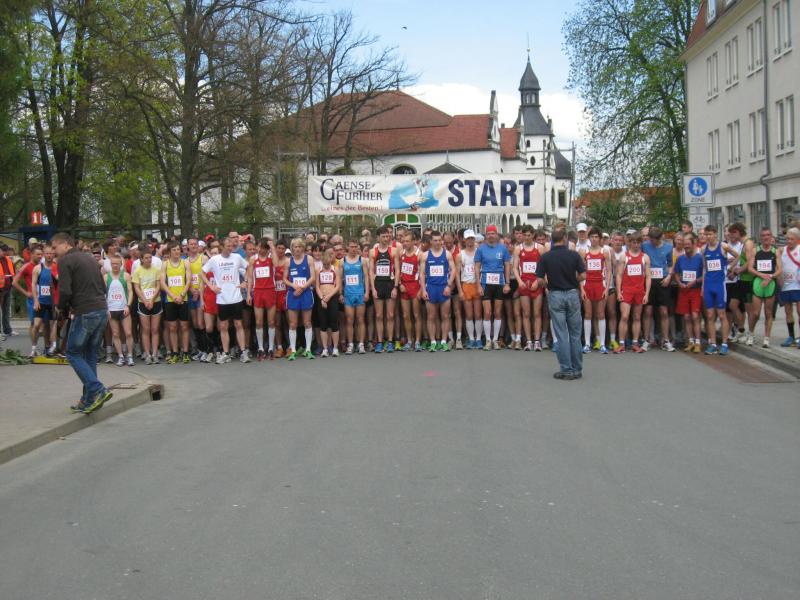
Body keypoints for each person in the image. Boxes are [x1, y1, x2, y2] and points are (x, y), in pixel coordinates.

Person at [51, 233, 113, 414]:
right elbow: (103, 287)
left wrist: (60, 308)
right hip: (101, 309)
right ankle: (88, 399)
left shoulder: (65, 261)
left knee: (72, 353)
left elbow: (65, 290)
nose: (53, 252)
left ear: (65, 244)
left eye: (55, 247)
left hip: (85, 311)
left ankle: (98, 389)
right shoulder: (89, 258)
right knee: (90, 355)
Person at [533, 228, 586, 380]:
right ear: (565, 239)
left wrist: (547, 284)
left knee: (561, 334)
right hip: (572, 293)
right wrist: (574, 280)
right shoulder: (574, 255)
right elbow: (583, 275)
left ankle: (566, 369)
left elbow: (539, 280)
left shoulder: (546, 257)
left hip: (555, 293)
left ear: (552, 240)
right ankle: (577, 368)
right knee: (575, 333)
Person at [201, 236, 250, 363]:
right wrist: (211, 286)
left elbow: (248, 267)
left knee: (238, 324)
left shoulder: (237, 257)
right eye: (228, 246)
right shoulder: (214, 259)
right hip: (222, 298)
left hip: (236, 297)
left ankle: (243, 352)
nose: (230, 248)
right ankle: (226, 353)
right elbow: (202, 273)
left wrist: (245, 281)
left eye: (231, 246)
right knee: (223, 326)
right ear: (222, 247)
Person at [700, 225, 739, 355]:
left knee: (722, 315)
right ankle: (712, 343)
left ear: (716, 234)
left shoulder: (723, 246)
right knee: (710, 315)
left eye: (710, 234)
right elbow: (704, 268)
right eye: (706, 234)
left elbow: (737, 256)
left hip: (719, 285)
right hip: (708, 285)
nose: (708, 237)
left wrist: (729, 268)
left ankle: (724, 343)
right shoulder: (703, 249)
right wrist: (703, 286)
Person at [475, 224, 512, 350]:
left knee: (497, 312)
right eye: (489, 233)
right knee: (487, 312)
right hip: (485, 282)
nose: (491, 235)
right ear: (486, 235)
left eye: (493, 233)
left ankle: (495, 340)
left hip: (499, 282)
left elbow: (507, 266)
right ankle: (488, 340)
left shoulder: (503, 249)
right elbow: (477, 267)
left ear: (496, 235)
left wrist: (507, 283)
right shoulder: (480, 249)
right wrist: (478, 285)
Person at [614, 233, 651, 354]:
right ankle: (621, 344)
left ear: (641, 243)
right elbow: (619, 275)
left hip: (639, 291)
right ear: (630, 243)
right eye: (633, 242)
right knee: (624, 316)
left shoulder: (645, 257)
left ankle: (635, 343)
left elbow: (648, 277)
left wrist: (646, 294)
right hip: (627, 291)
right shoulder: (624, 257)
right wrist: (619, 292)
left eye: (638, 242)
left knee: (637, 317)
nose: (636, 245)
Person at [419, 231, 456, 352]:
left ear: (442, 241)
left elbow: (453, 270)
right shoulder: (425, 255)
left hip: (443, 288)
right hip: (431, 288)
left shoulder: (447, 254)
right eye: (435, 240)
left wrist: (449, 285)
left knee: (445, 316)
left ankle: (444, 341)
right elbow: (422, 274)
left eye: (439, 240)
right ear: (430, 241)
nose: (437, 242)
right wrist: (423, 290)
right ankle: (433, 342)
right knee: (431, 316)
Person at [746, 227, 782, 347]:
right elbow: (750, 268)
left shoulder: (775, 251)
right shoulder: (755, 250)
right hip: (758, 282)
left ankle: (766, 338)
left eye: (768, 235)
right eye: (763, 235)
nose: (766, 237)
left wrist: (770, 276)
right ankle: (751, 334)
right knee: (755, 313)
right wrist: (761, 275)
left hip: (770, 283)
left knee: (768, 313)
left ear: (771, 237)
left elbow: (780, 269)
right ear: (760, 237)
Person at [641, 226, 675, 351]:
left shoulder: (668, 247)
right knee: (648, 311)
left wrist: (669, 277)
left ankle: (665, 340)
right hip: (649, 281)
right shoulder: (645, 245)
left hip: (663, 281)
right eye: (650, 239)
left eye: (654, 240)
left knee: (664, 312)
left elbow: (670, 264)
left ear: (660, 238)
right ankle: (646, 340)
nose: (652, 242)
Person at [578, 226, 612, 354]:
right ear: (589, 238)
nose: (594, 239)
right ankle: (587, 344)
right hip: (587, 285)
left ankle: (602, 344)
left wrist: (607, 288)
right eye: (592, 237)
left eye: (596, 237)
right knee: (588, 314)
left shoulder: (605, 252)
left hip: (600, 285)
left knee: (601, 314)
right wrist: (582, 289)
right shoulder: (583, 252)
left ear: (600, 238)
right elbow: (580, 272)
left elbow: (609, 271)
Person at [514, 225, 546, 351]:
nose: (526, 237)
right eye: (524, 235)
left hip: (536, 283)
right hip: (524, 283)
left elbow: (544, 267)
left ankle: (537, 341)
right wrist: (519, 281)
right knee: (526, 313)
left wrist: (538, 281)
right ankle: (528, 341)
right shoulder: (518, 248)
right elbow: (515, 268)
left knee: (537, 313)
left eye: (529, 235)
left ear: (533, 235)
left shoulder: (540, 248)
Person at [284, 238, 316, 361]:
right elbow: (285, 279)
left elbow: (313, 277)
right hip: (293, 294)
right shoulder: (288, 261)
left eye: (299, 246)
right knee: (293, 324)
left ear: (303, 248)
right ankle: (293, 350)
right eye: (295, 247)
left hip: (305, 292)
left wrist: (302, 287)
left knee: (307, 322)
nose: (297, 249)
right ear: (292, 248)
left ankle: (308, 349)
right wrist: (294, 286)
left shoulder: (309, 259)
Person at [161, 241, 192, 364]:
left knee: (184, 326)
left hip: (183, 298)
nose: (176, 252)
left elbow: (188, 280)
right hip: (170, 299)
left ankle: (185, 352)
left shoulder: (185, 263)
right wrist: (173, 296)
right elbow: (163, 282)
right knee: (172, 327)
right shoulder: (165, 264)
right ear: (169, 252)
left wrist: (182, 295)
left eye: (178, 249)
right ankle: (175, 353)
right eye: (174, 250)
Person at [370, 225, 400, 353]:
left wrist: (395, 287)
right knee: (378, 315)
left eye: (387, 236)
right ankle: (380, 342)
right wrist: (373, 289)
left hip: (390, 284)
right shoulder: (373, 252)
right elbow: (371, 271)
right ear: (378, 237)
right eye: (383, 236)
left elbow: (397, 270)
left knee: (390, 315)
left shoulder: (394, 251)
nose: (386, 239)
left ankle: (390, 341)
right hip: (378, 284)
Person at [247, 237, 278, 361]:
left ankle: (270, 348)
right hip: (258, 291)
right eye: (259, 247)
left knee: (271, 322)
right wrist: (248, 294)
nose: (261, 250)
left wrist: (272, 247)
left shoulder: (271, 257)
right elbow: (250, 277)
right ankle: (260, 348)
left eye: (264, 248)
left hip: (270, 290)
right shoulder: (253, 259)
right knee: (259, 322)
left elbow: (276, 264)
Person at [673, 232, 704, 353]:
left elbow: (705, 274)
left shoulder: (700, 258)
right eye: (684, 244)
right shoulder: (680, 258)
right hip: (684, 290)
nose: (686, 246)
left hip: (695, 290)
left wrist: (695, 281)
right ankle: (690, 341)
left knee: (695, 316)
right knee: (686, 317)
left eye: (688, 244)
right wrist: (679, 282)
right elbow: (676, 273)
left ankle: (698, 342)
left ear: (694, 243)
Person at [132, 246, 163, 364]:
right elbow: (137, 287)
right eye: (146, 258)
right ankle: (147, 354)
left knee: (155, 329)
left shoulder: (156, 269)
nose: (149, 260)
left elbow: (158, 285)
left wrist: (152, 299)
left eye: (150, 257)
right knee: (145, 329)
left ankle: (154, 353)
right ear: (141, 259)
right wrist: (145, 300)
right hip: (143, 303)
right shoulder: (138, 271)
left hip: (156, 301)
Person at [12, 244, 43, 357]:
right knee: (34, 324)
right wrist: (26, 293)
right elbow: (14, 282)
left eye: (41, 254)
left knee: (45, 324)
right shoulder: (26, 266)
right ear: (31, 255)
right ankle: (34, 348)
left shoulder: (42, 266)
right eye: (38, 254)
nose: (40, 256)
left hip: (44, 298)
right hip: (32, 299)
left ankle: (47, 347)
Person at [105, 255, 135, 366]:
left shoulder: (126, 276)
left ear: (121, 264)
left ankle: (130, 356)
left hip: (123, 308)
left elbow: (130, 291)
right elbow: (103, 294)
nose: (115, 265)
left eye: (117, 263)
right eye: (113, 263)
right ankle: (121, 356)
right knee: (116, 334)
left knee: (128, 333)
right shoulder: (106, 277)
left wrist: (128, 305)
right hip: (111, 309)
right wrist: (106, 308)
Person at [456, 229, 483, 349]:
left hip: (477, 285)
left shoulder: (479, 252)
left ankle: (478, 338)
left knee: (478, 314)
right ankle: (471, 338)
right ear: (464, 240)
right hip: (466, 285)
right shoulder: (460, 255)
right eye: (468, 238)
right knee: (469, 314)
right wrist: (460, 290)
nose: (470, 241)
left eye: (472, 238)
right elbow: (457, 274)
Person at [342, 238, 369, 355]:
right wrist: (340, 293)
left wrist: (367, 292)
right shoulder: (342, 261)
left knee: (360, 319)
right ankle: (350, 344)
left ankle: (361, 344)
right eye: (351, 247)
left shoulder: (362, 260)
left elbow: (366, 277)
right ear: (347, 247)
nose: (353, 249)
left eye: (355, 247)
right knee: (349, 320)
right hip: (348, 294)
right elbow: (340, 279)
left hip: (359, 293)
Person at [30, 244, 58, 357]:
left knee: (53, 324)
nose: (49, 256)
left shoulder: (56, 267)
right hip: (41, 301)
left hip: (53, 302)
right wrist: (36, 300)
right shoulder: (38, 268)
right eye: (47, 253)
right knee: (36, 325)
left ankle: (52, 347)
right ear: (44, 254)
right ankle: (33, 348)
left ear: (54, 254)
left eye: (51, 253)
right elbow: (33, 284)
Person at [399, 231, 423, 352]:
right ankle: (409, 341)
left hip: (415, 286)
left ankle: (417, 341)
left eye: (407, 241)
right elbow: (397, 270)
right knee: (406, 315)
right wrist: (399, 284)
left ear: (414, 241)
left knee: (417, 315)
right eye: (403, 241)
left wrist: (421, 289)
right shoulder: (401, 253)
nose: (405, 243)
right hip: (404, 286)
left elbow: (423, 273)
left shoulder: (420, 254)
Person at [316, 249, 341, 357]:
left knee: (334, 323)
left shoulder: (335, 270)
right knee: (323, 324)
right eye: (324, 264)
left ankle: (335, 348)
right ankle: (325, 348)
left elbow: (337, 286)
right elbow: (317, 286)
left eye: (328, 264)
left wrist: (329, 296)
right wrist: (322, 298)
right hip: (322, 299)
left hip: (332, 298)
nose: (326, 266)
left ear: (331, 262)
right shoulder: (318, 270)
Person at [779, 227, 800, 347]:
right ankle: (791, 336)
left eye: (792, 239)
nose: (789, 241)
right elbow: (778, 266)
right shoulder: (782, 251)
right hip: (786, 285)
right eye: (787, 239)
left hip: (798, 285)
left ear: (797, 239)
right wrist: (779, 278)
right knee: (788, 311)